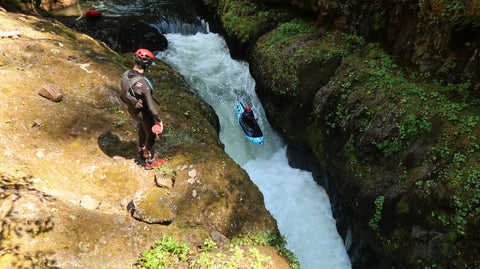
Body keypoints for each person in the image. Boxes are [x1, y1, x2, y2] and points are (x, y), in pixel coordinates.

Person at [121, 48, 164, 170]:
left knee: (142, 126)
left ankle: (141, 150)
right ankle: (150, 161)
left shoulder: (126, 74)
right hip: (142, 112)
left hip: (132, 109)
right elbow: (150, 107)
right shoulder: (143, 84)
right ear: (148, 65)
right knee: (150, 133)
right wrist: (159, 120)